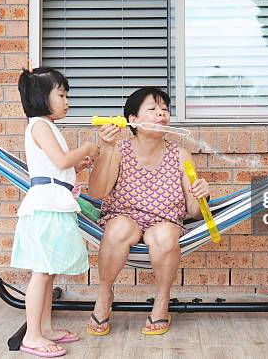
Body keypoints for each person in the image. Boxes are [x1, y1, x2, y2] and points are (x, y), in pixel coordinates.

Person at [87, 87, 209, 336]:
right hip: (123, 218)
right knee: (120, 227)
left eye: (164, 110)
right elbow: (98, 193)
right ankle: (104, 294)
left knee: (164, 234)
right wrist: (107, 148)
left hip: (165, 222)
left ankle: (162, 301)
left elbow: (195, 212)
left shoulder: (181, 155)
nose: (161, 114)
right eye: (152, 110)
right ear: (132, 119)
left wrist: (203, 194)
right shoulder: (119, 149)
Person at [12, 67, 95, 357]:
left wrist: (79, 165)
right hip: (45, 205)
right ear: (40, 97)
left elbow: (59, 166)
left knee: (49, 272)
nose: (67, 100)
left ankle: (44, 328)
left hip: (54, 202)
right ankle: (32, 335)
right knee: (42, 272)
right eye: (61, 94)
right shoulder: (39, 126)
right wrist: (86, 147)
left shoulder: (47, 126)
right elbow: (60, 161)